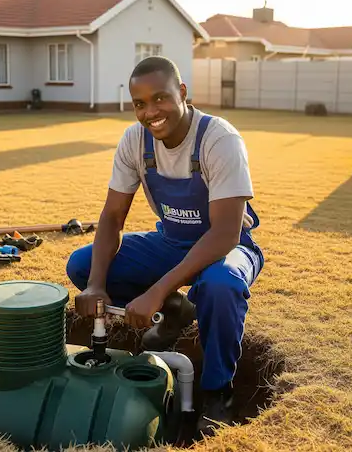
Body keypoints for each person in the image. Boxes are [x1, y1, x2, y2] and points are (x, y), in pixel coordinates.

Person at [66, 56, 264, 437]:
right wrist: (94, 286)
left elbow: (225, 233)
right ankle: (176, 310)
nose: (150, 112)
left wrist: (157, 290)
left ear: (183, 93)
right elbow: (111, 218)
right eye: (140, 103)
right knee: (84, 264)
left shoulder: (219, 139)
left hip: (227, 247)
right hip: (172, 241)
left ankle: (218, 392)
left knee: (219, 286)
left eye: (160, 99)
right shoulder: (134, 141)